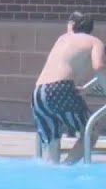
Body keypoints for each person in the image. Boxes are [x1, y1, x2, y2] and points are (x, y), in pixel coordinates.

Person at [31, 11, 106, 164]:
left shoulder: (62, 39)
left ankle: (54, 173)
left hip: (38, 93)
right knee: (91, 131)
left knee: (52, 145)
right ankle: (67, 167)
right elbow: (99, 66)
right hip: (60, 90)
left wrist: (86, 88)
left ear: (73, 25)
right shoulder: (94, 42)